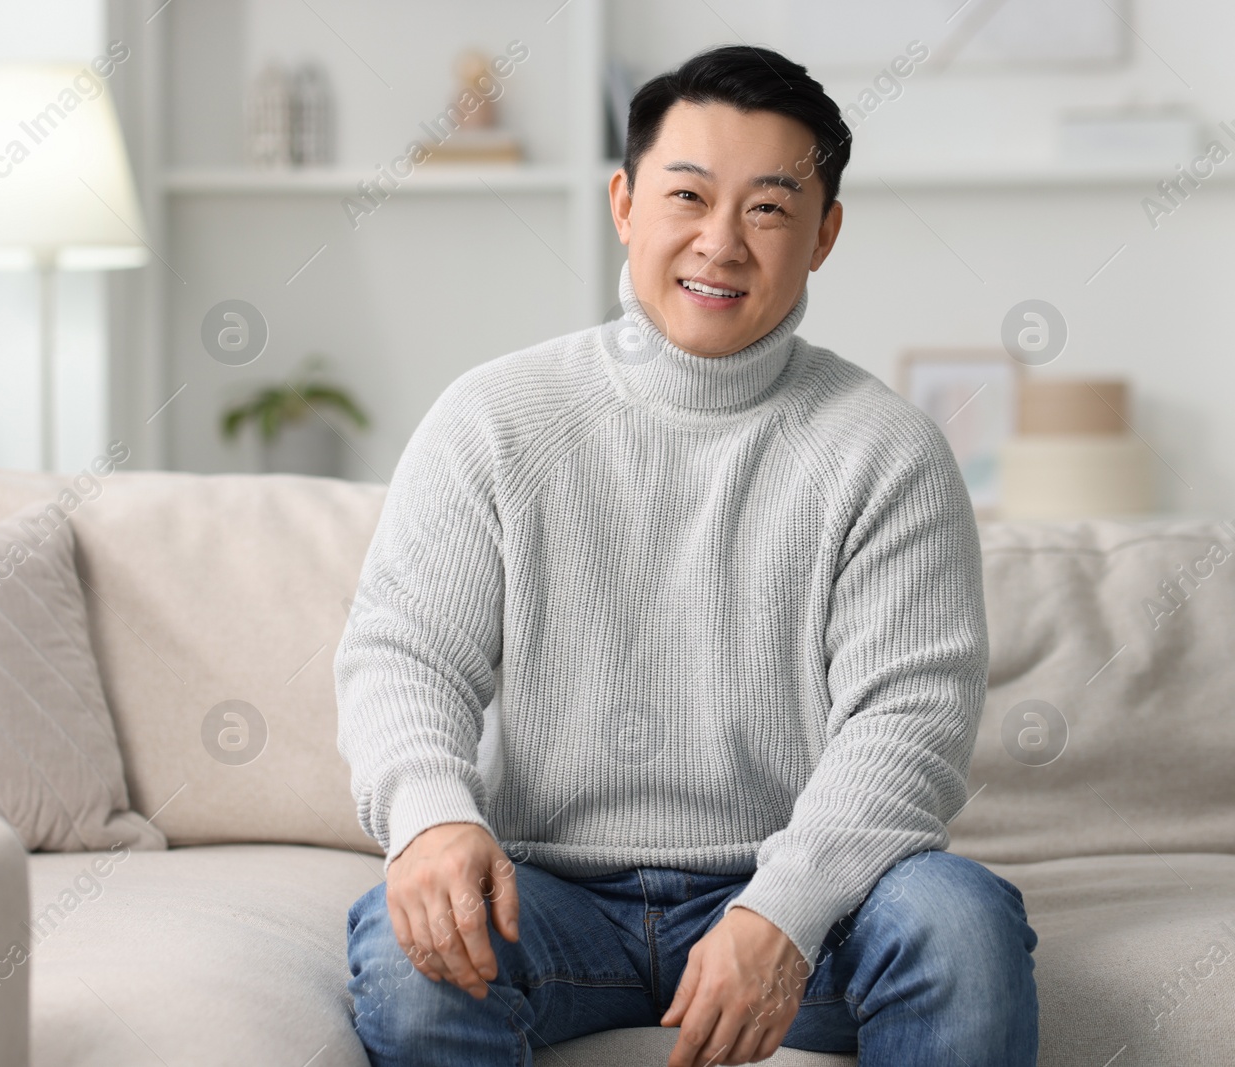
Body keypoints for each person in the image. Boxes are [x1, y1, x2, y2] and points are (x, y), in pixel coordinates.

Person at [335, 43, 1038, 1067]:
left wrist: (782, 915)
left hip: (802, 889)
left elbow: (909, 723)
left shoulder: (886, 449)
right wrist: (431, 819)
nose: (720, 243)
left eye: (765, 208)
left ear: (823, 233)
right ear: (623, 203)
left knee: (960, 922)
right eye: (687, 197)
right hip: (552, 896)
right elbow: (402, 653)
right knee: (409, 958)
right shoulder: (491, 418)